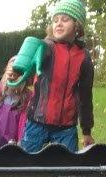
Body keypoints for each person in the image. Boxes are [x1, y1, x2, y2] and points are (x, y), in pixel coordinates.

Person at [19, 0, 95, 152]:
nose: (58, 24)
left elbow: (85, 96)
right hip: (37, 122)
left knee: (68, 164)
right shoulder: (45, 47)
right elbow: (25, 66)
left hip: (66, 128)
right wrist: (16, 73)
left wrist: (86, 131)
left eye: (65, 20)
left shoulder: (84, 57)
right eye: (55, 20)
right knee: (27, 162)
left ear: (77, 26)